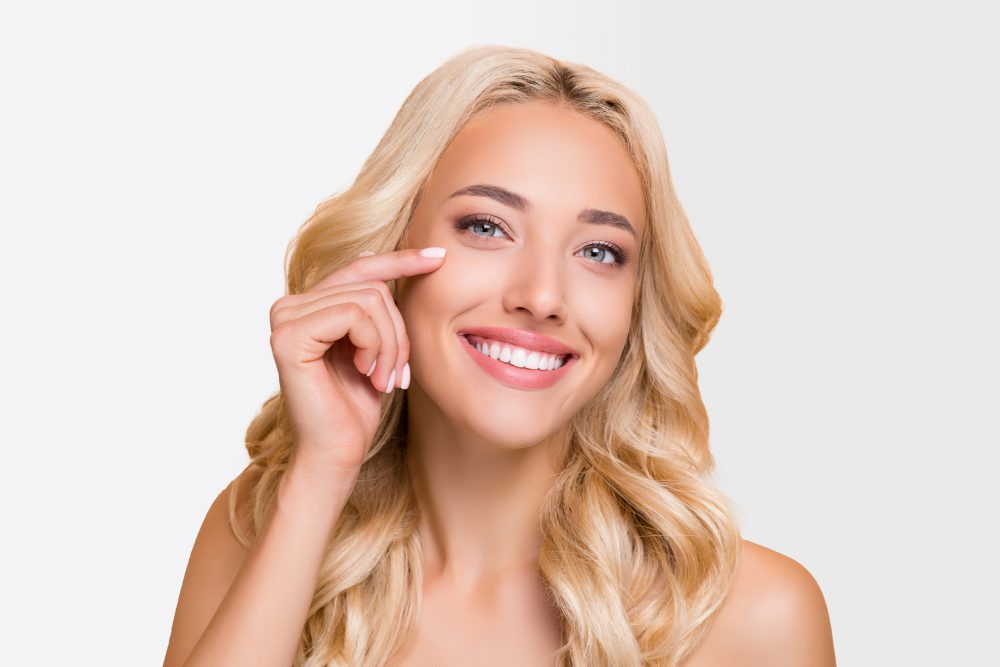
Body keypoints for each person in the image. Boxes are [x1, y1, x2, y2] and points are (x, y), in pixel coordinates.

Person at [163, 45, 836, 667]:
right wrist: (319, 475)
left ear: (636, 306)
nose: (541, 296)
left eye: (599, 251)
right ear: (391, 247)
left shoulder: (758, 617)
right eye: (487, 226)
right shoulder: (262, 529)